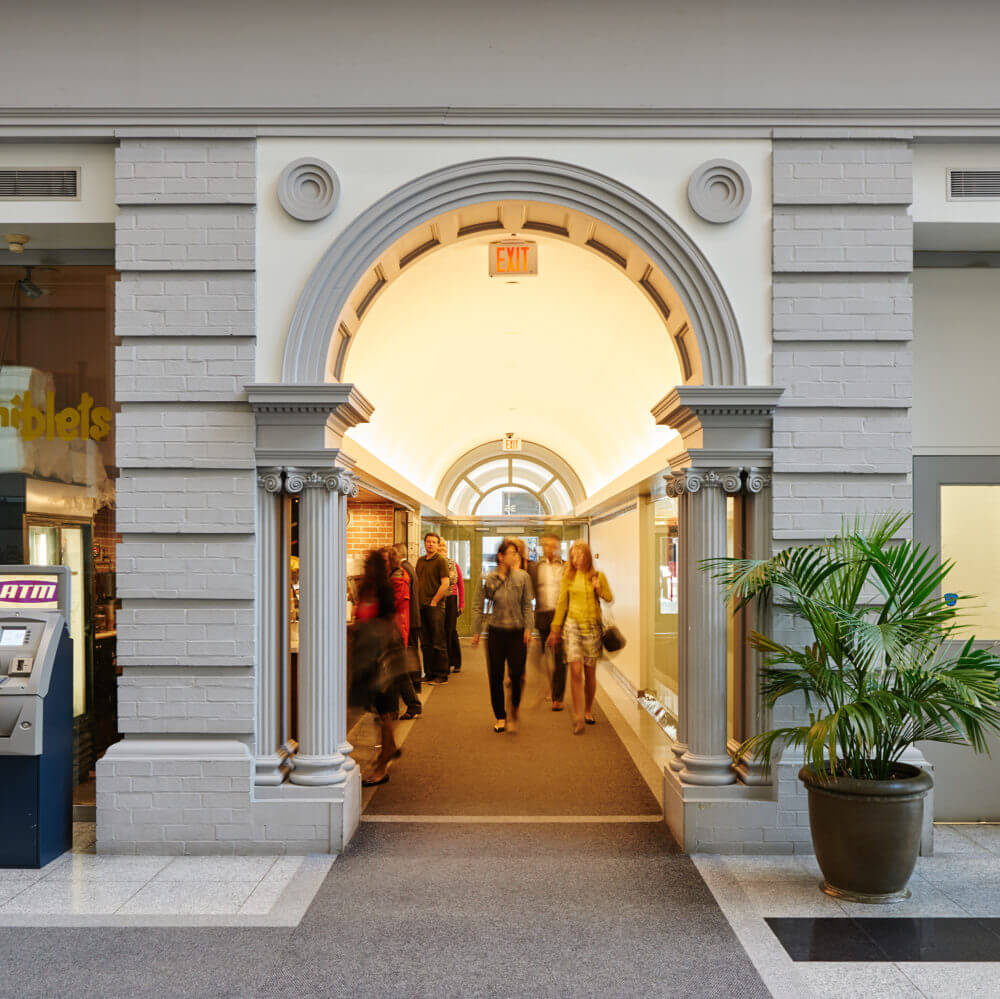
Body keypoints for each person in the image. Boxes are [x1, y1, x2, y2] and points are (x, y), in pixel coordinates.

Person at [352, 550, 409, 786]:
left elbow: (387, 622)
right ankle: (390, 747)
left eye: (369, 564)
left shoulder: (384, 590)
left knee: (385, 710)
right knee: (379, 709)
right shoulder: (365, 589)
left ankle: (382, 764)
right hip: (367, 657)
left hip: (382, 658)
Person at [548, 541, 613, 735]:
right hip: (572, 626)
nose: (575, 560)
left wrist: (598, 589)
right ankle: (577, 715)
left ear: (587, 556)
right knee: (575, 670)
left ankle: (587, 710)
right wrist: (555, 628)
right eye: (573, 556)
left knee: (589, 672)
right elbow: (561, 604)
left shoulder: (597, 575)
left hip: (592, 627)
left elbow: (609, 598)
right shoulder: (568, 577)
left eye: (579, 555)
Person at [472, 538, 534, 733]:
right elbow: (477, 604)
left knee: (517, 675)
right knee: (496, 676)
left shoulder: (523, 577)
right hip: (496, 633)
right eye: (510, 553)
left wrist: (528, 628)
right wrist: (476, 630)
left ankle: (514, 709)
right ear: (500, 556)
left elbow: (527, 605)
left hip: (517, 632)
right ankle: (500, 716)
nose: (515, 557)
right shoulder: (488, 578)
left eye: (516, 553)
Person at [527, 532, 567, 710]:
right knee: (542, 656)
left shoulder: (566, 567)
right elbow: (530, 593)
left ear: (558, 547)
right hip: (542, 616)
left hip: (561, 616)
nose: (548, 549)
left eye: (552, 545)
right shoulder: (536, 567)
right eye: (545, 545)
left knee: (559, 656)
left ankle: (557, 696)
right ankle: (550, 685)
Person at [384, 546, 421, 720]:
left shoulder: (398, 579)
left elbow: (391, 604)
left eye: (384, 561)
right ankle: (396, 709)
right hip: (395, 628)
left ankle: (410, 705)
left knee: (397, 670)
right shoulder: (395, 576)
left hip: (396, 630)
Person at [415, 531, 451, 684]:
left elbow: (445, 583)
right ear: (424, 543)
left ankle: (441, 675)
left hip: (435, 607)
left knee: (438, 641)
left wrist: (434, 601)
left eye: (433, 542)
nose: (430, 544)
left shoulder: (440, 561)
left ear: (438, 545)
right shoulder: (420, 561)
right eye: (428, 541)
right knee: (425, 643)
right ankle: (429, 673)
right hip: (421, 607)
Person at [394, 542, 422, 691]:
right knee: (413, 650)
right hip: (414, 615)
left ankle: (414, 682)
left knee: (410, 651)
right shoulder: (410, 566)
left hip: (408, 617)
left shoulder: (402, 569)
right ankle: (416, 681)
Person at [437, 536, 465, 674]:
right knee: (443, 631)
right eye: (440, 547)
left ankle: (455, 662)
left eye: (444, 547)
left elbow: (460, 584)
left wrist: (462, 603)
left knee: (451, 630)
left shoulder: (453, 564)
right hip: (439, 599)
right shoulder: (435, 564)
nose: (442, 549)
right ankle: (446, 662)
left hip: (452, 599)